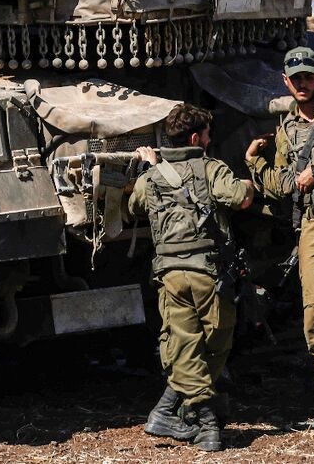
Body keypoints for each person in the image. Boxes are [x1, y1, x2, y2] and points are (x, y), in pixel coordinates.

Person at [128, 103, 254, 452]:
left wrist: (154, 168)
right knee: (215, 344)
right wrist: (248, 181)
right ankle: (206, 420)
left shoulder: (151, 177)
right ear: (197, 137)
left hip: (170, 275)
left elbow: (134, 207)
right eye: (208, 135)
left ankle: (169, 411)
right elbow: (240, 198)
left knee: (183, 346)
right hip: (208, 273)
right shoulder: (210, 167)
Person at [244, 47, 314, 420]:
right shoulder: (285, 130)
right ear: (286, 82)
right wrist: (254, 163)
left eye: (309, 76)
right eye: (297, 78)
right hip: (312, 223)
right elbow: (283, 184)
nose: (303, 83)